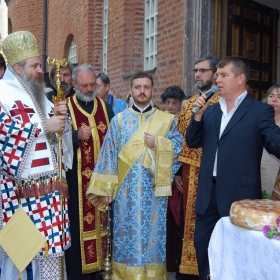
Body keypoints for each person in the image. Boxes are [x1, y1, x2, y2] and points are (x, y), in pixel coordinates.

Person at [186, 56, 280, 280]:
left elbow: (275, 143)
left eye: (223, 75)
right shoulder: (211, 110)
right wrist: (197, 114)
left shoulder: (259, 111)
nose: (217, 79)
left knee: (236, 256)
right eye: (217, 75)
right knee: (204, 249)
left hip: (240, 197)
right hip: (208, 194)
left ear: (240, 78)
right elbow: (192, 141)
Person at [86, 71, 183, 279]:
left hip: (154, 194)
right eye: (138, 87)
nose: (142, 91)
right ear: (131, 90)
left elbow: (178, 148)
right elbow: (109, 155)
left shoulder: (166, 121)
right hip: (125, 194)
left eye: (146, 87)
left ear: (152, 90)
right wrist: (107, 189)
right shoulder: (119, 121)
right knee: (125, 238)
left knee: (152, 240)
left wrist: (157, 143)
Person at [0, 30, 72, 279]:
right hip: (20, 195)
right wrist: (44, 126)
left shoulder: (41, 96)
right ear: (18, 69)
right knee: (20, 258)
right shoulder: (2, 96)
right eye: (35, 65)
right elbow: (4, 137)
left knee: (51, 256)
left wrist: (63, 118)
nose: (41, 70)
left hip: (50, 193)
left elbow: (59, 142)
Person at [65, 64, 114, 280]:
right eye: (84, 85)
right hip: (76, 189)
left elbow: (115, 145)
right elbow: (54, 145)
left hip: (102, 186)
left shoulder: (105, 108)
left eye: (93, 84)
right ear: (74, 84)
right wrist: (75, 136)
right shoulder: (65, 108)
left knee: (103, 231)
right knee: (77, 234)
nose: (89, 89)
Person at [176, 56, 220, 280]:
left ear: (215, 73)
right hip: (189, 173)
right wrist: (176, 172)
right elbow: (181, 137)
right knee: (190, 223)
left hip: (213, 176)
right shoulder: (191, 103)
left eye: (203, 71)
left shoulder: (224, 102)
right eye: (195, 71)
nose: (198, 75)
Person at [160, 85, 185, 273]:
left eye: (174, 103)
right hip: (161, 173)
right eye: (167, 102)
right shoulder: (160, 121)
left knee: (177, 219)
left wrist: (179, 173)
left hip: (179, 175)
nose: (170, 106)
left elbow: (187, 149)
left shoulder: (184, 121)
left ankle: (177, 260)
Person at [261, 85, 280, 197]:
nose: (274, 99)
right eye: (271, 96)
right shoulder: (259, 121)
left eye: (279, 96)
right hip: (260, 171)